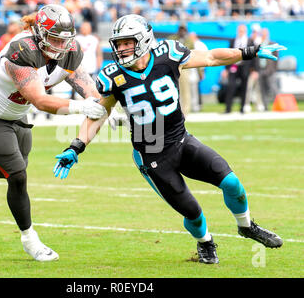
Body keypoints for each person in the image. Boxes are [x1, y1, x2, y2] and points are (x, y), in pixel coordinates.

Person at [53, 14, 285, 264]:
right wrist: (76, 147)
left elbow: (210, 57)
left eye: (126, 43)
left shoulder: (169, 54)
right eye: (118, 44)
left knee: (231, 183)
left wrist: (250, 51)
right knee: (192, 212)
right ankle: (205, 242)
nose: (121, 49)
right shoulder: (112, 76)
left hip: (182, 141)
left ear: (143, 40)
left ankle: (246, 225)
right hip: (152, 157)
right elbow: (100, 114)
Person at [0, 4, 107, 262]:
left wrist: (103, 108)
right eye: (54, 38)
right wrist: (82, 107)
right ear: (40, 33)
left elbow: (87, 87)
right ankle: (29, 239)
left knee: (13, 167)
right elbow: (40, 100)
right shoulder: (22, 49)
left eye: (64, 39)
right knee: (17, 174)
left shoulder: (70, 51)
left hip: (16, 115)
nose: (60, 45)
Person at [224, 24, 255, 114]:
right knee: (231, 86)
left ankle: (242, 108)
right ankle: (228, 108)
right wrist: (226, 68)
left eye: (242, 31)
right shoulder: (233, 40)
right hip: (234, 66)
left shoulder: (250, 41)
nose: (240, 32)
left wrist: (253, 69)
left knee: (244, 87)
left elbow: (253, 56)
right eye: (239, 30)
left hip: (245, 67)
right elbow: (228, 54)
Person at [168, 24, 194, 116]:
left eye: (184, 29)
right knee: (172, 90)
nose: (182, 31)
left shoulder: (189, 41)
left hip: (184, 68)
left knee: (185, 90)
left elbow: (193, 55)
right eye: (181, 29)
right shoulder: (172, 38)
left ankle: (185, 112)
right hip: (173, 67)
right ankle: (174, 112)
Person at [74, 21, 103, 98]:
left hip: (91, 66)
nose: (84, 29)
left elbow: (98, 53)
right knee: (75, 83)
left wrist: (99, 64)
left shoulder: (94, 39)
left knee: (89, 85)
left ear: (90, 29)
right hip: (78, 66)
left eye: (86, 27)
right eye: (83, 27)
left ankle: (89, 98)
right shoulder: (76, 39)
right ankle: (72, 97)